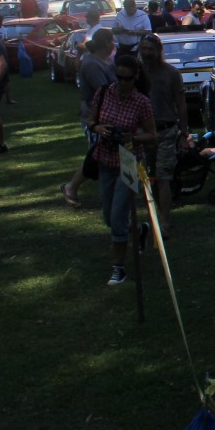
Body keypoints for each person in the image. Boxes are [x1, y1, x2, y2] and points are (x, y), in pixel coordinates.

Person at [89, 53, 156, 286]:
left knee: (117, 217)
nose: (122, 82)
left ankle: (118, 268)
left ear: (135, 77)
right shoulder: (104, 92)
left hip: (129, 162)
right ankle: (138, 231)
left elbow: (152, 135)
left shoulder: (141, 102)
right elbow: (90, 120)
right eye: (119, 77)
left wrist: (132, 137)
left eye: (127, 78)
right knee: (109, 217)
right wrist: (99, 128)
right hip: (105, 159)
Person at [138, 33, 188, 236]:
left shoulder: (171, 73)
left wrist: (184, 133)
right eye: (143, 49)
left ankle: (165, 222)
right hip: (143, 133)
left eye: (150, 49)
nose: (147, 53)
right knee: (146, 176)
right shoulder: (137, 74)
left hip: (167, 131)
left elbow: (181, 104)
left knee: (163, 176)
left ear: (158, 51)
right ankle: (153, 215)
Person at [62, 28, 115, 208]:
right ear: (106, 43)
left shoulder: (104, 60)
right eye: (112, 41)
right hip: (94, 117)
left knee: (100, 155)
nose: (114, 44)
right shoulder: (92, 64)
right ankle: (71, 187)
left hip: (105, 115)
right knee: (95, 155)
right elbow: (104, 91)